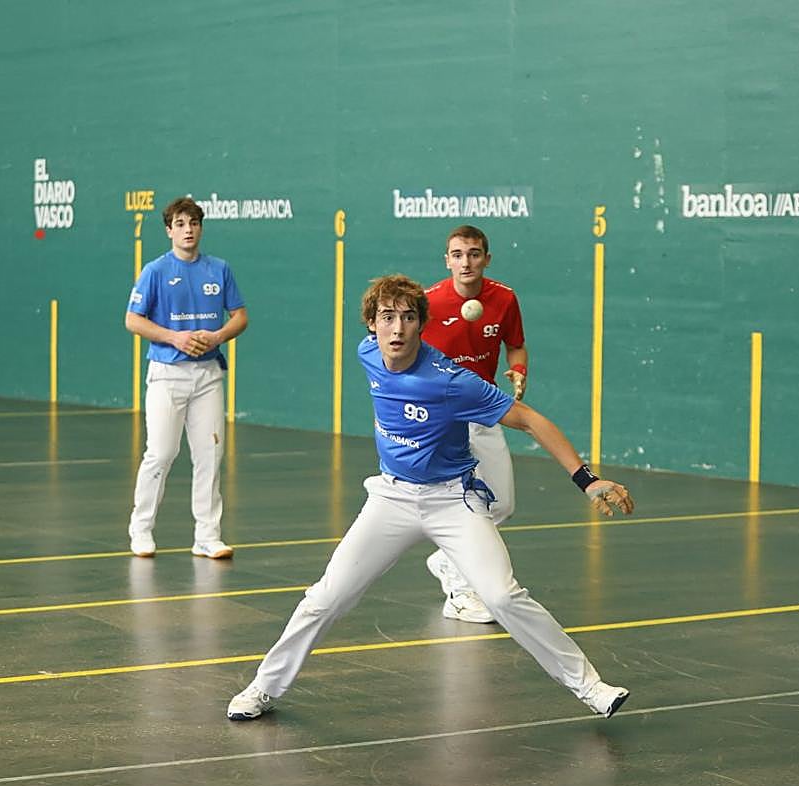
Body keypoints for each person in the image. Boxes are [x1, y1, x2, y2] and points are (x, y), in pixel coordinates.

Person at [227, 274, 634, 722]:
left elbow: (531, 420)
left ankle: (591, 688)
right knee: (326, 597)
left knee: (501, 596)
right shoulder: (368, 354)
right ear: (371, 325)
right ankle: (263, 688)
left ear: (422, 325)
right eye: (387, 318)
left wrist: (586, 479)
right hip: (391, 498)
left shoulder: (451, 382)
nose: (397, 329)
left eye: (407, 318)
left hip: (451, 500)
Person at [125, 197, 248, 560]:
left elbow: (239, 315)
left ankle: (207, 536)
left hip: (208, 374)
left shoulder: (219, 269)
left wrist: (217, 336)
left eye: (193, 223)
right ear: (169, 230)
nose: (188, 230)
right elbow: (133, 320)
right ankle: (141, 528)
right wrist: (174, 337)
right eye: (180, 224)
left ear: (201, 227)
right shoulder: (155, 271)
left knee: (210, 454)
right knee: (161, 453)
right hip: (166, 374)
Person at [420, 225, 527, 624]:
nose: (466, 262)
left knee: (501, 503)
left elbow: (515, 343)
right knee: (462, 505)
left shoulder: (504, 299)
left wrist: (517, 369)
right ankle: (460, 591)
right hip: (441, 419)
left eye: (474, 254)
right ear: (447, 259)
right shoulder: (427, 303)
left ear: (487, 258)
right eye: (458, 254)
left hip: (485, 409)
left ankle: (446, 557)